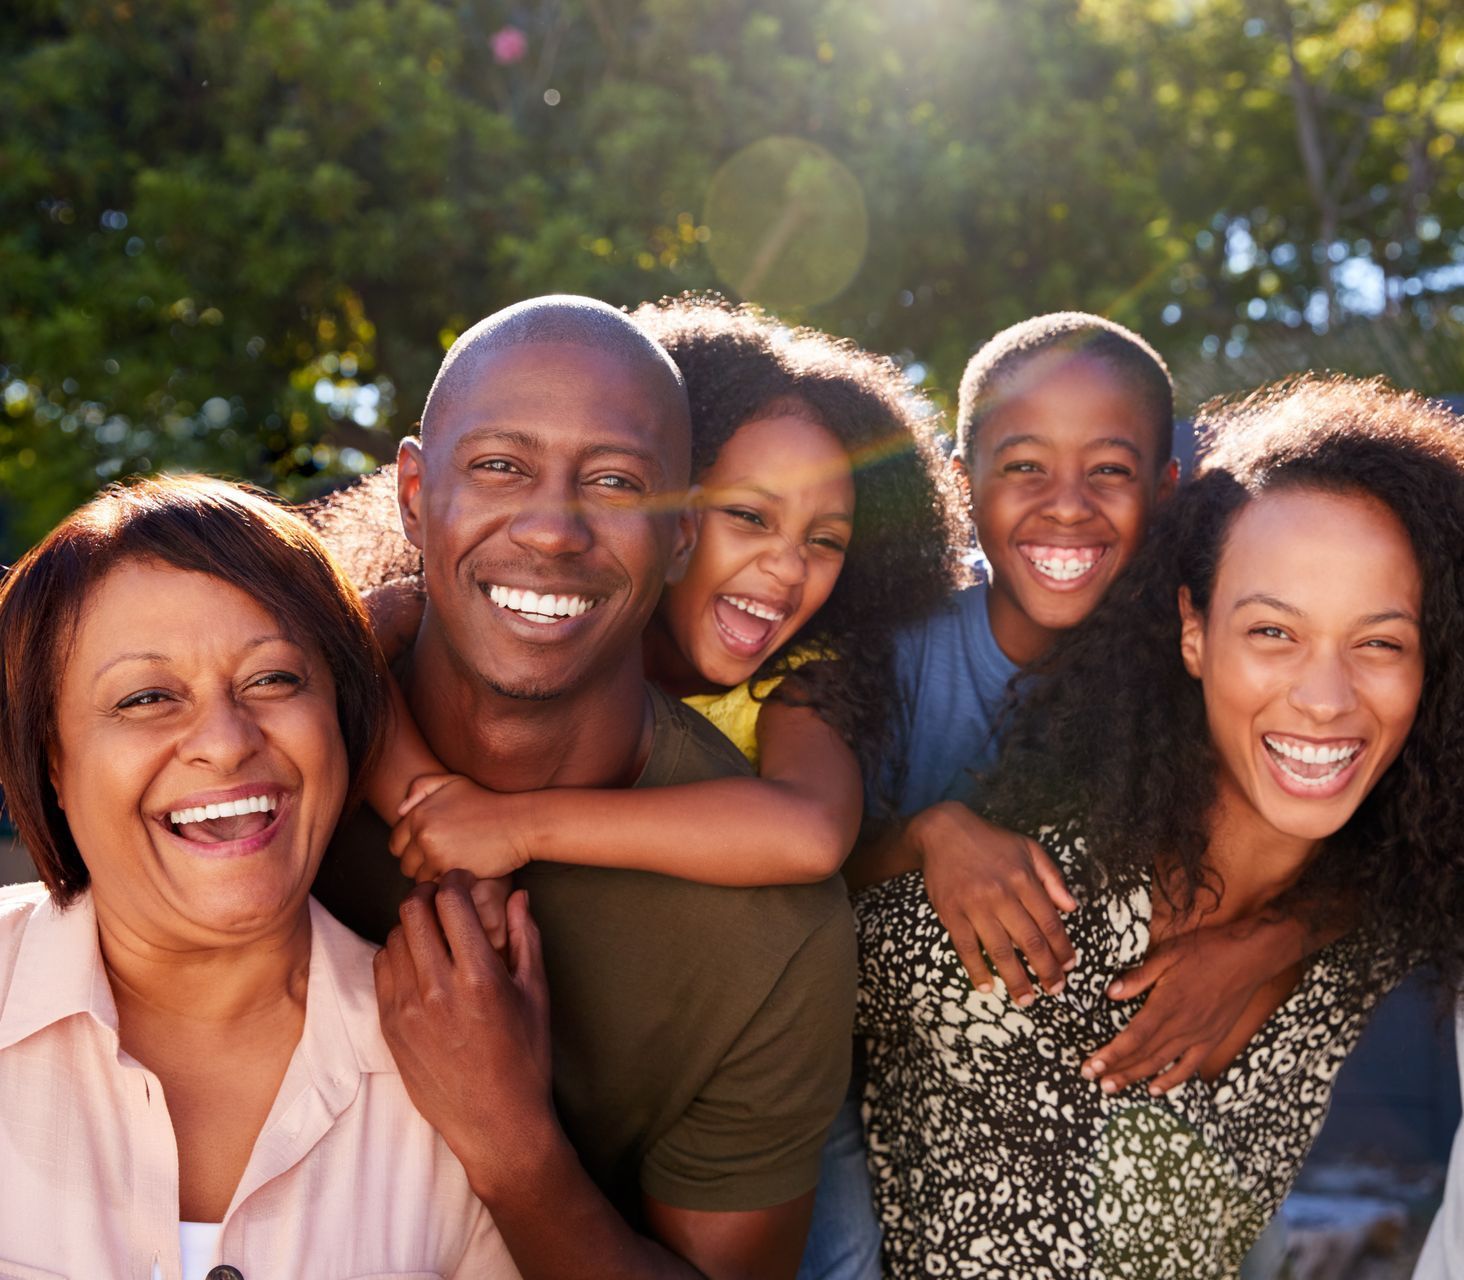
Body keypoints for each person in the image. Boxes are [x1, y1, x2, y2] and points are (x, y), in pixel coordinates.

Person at [855, 375, 1464, 1276]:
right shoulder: (1028, 899)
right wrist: (922, 836)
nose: (1325, 699)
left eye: (1379, 642)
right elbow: (790, 940)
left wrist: (1276, 936)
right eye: (1272, 633)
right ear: (1193, 631)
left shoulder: (1383, 920)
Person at [311, 295, 858, 1279]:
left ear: (679, 533)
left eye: (614, 480)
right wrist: (423, 798)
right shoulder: (267, 760)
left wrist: (514, 1145)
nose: (556, 529)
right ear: (411, 491)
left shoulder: (777, 934)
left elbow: (813, 830)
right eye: (500, 466)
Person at [0, 476, 517, 1276]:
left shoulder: (466, 1065)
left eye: (273, 679)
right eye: (145, 698)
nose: (226, 739)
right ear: (52, 764)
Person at [376, 293, 963, 890]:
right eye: (749, 517)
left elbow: (810, 832)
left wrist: (515, 827)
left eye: (827, 540)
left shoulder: (798, 686)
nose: (788, 567)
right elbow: (337, 655)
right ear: (676, 525)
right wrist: (427, 800)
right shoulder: (489, 599)